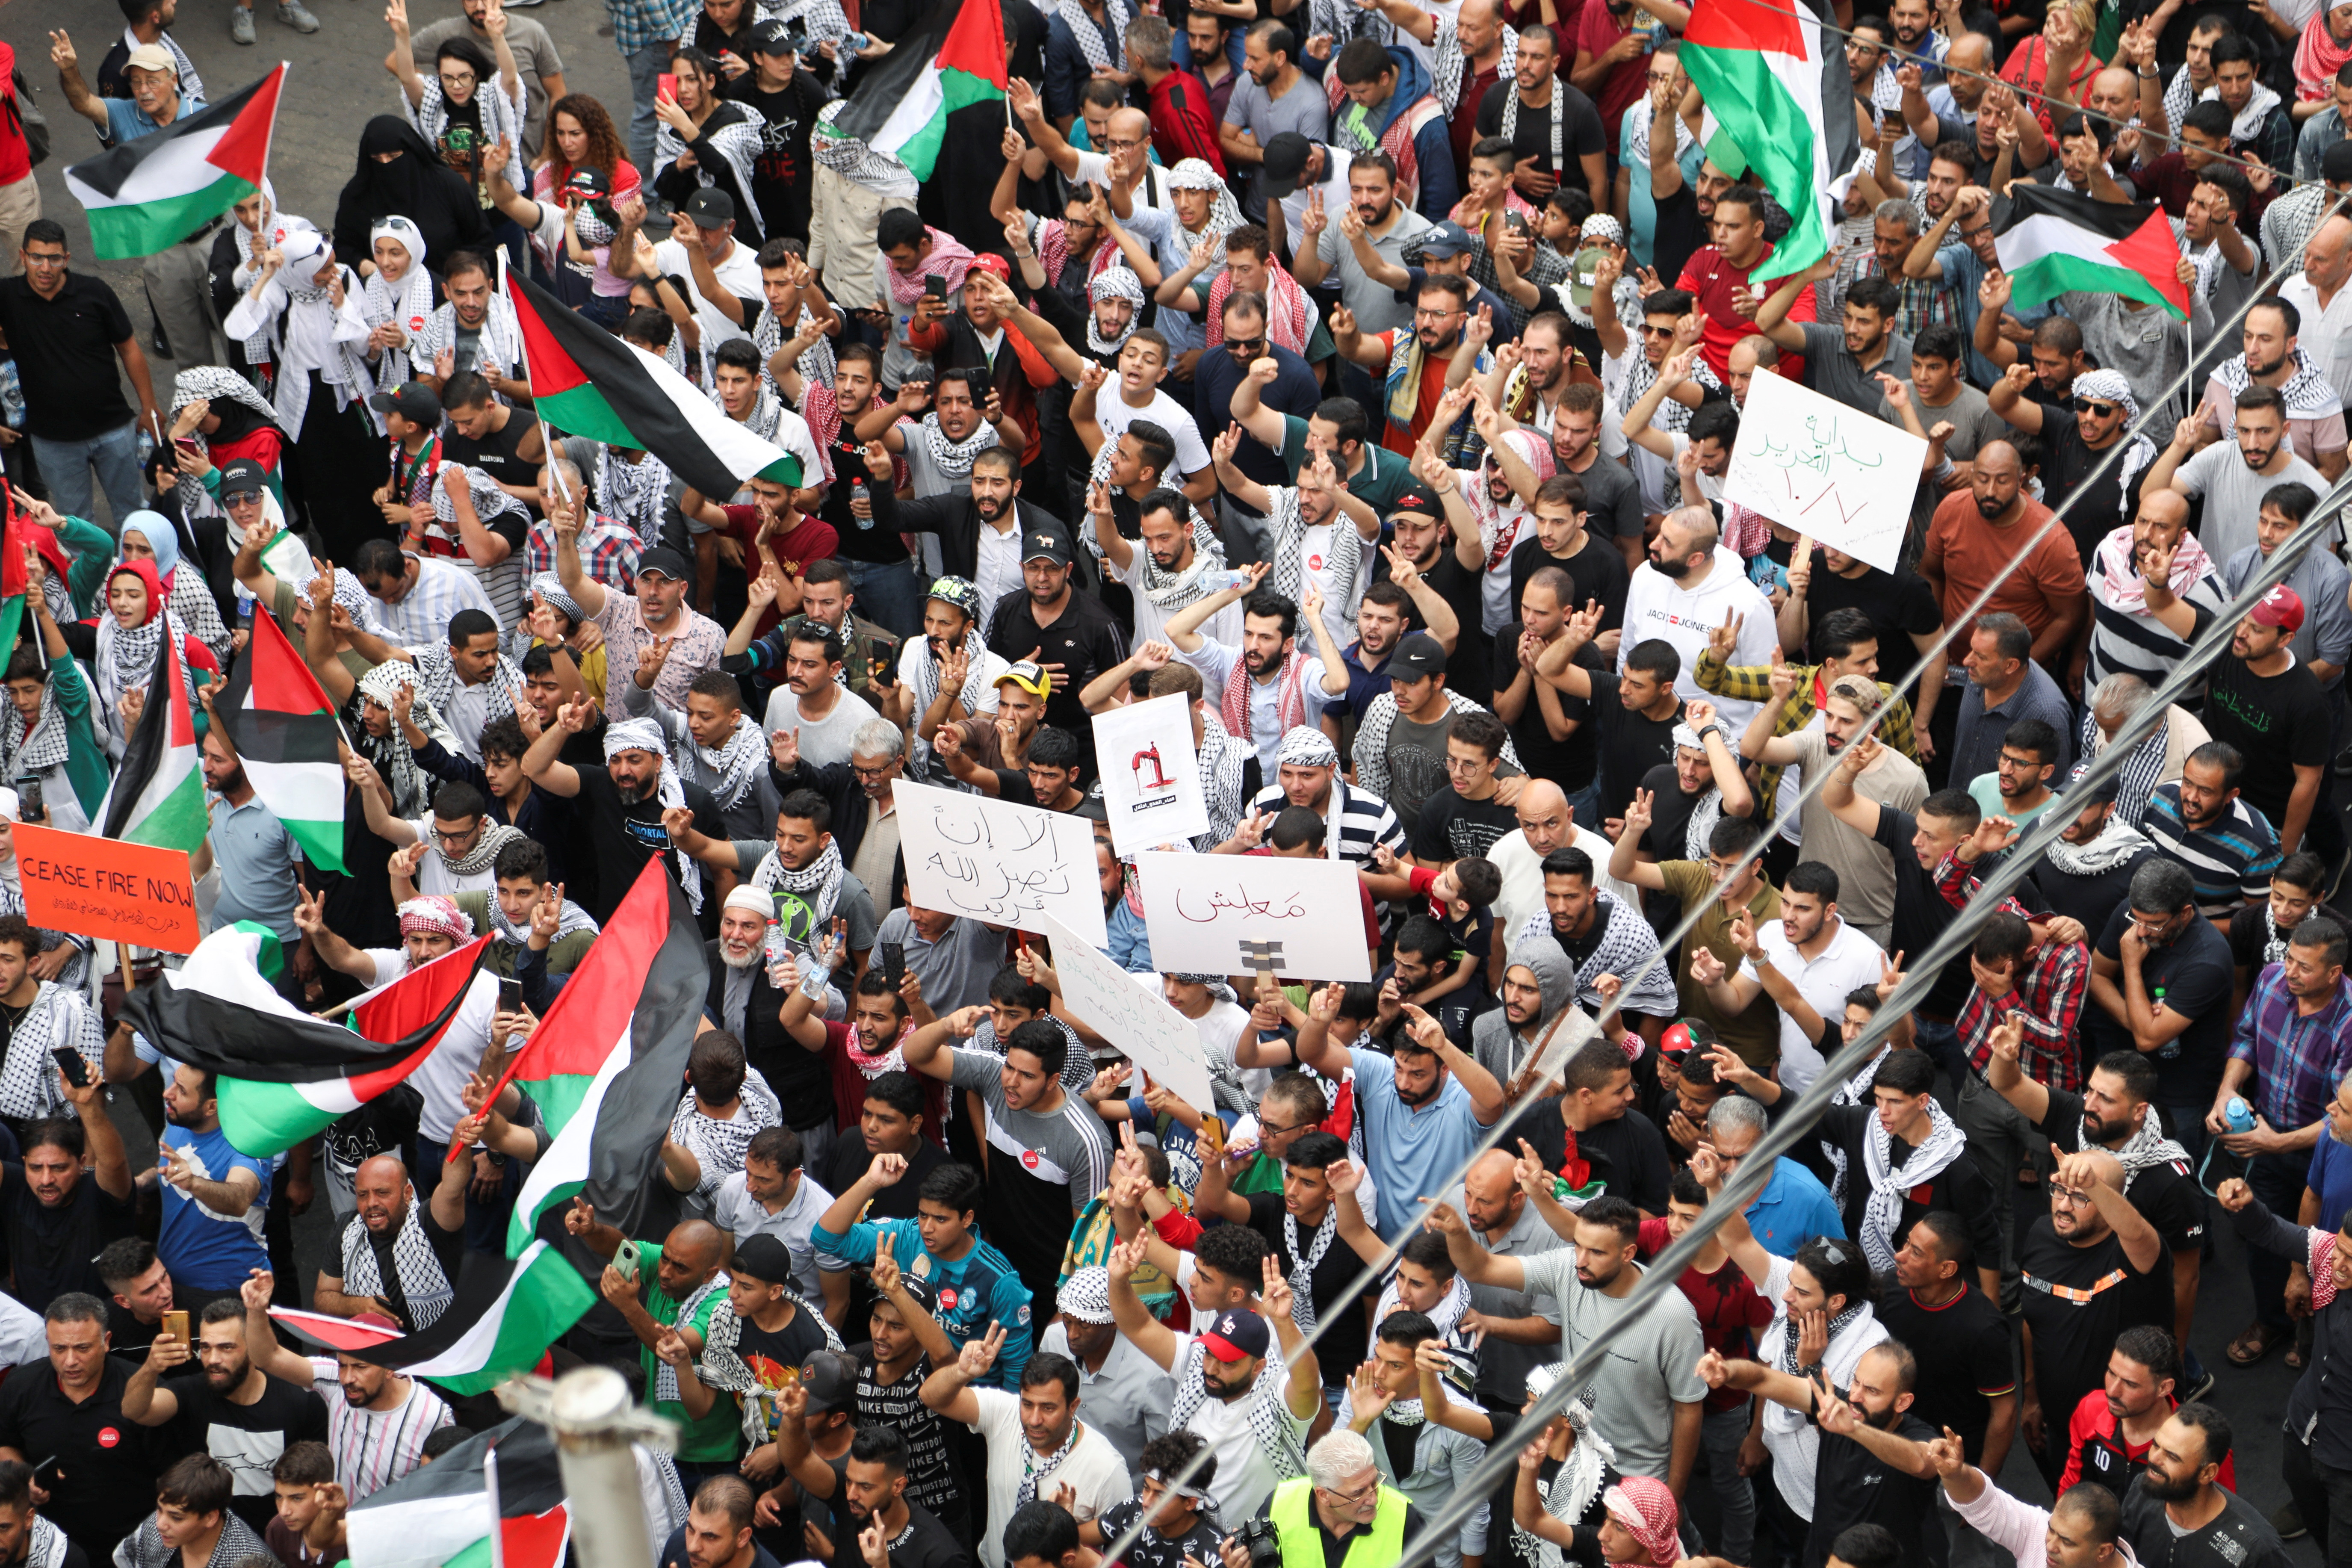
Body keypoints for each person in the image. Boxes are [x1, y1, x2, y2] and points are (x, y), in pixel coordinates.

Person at [1430, 1190, 1704, 1491]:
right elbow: (1481, 1267)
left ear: (1628, 1254)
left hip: (1638, 1476)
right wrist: (1457, 1233)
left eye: (1597, 1252)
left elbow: (1688, 1409)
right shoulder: (1567, 1269)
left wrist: (1673, 1495)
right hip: (1577, 1461)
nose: (1581, 1261)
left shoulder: (1673, 1314)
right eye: (1578, 1246)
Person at [899, 1007, 1111, 1326]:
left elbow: (1091, 1244)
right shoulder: (992, 1073)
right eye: (1010, 1066)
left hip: (1047, 1285)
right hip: (994, 1261)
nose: (1011, 1082)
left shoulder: (1086, 1141)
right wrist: (946, 1024)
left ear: (1054, 1080)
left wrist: (1064, 1310)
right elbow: (915, 1053)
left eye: (1027, 1075)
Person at [1102, 1234, 1318, 1528]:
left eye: (1228, 1362)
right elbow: (1139, 1325)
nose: (1212, 1368)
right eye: (1212, 1354)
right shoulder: (1196, 1360)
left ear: (1258, 1367)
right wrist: (1118, 1281)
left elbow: (1307, 1384)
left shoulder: (1277, 1395)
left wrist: (1283, 1322)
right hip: (1183, 1539)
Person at [919, 1326, 1134, 1568]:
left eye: (1048, 1408)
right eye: (1028, 1404)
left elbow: (1120, 1547)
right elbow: (931, 1397)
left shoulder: (1107, 1469)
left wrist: (1060, 1532)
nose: (1034, 1420)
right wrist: (961, 1372)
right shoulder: (1004, 1412)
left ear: (1073, 1406)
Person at [116, 1297, 331, 1535]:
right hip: (212, 1534)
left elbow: (319, 1483)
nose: (213, 1360)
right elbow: (135, 1411)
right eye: (206, 1348)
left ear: (252, 1347)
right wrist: (150, 1368)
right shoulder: (191, 1392)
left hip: (280, 1535)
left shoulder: (300, 1402)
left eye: (227, 1348)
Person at [0, 222, 157, 528]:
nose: (45, 267)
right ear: (23, 256)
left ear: (67, 258)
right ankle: (87, 578)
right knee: (74, 524)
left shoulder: (95, 293)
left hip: (112, 429)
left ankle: (143, 574)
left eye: (54, 259)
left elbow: (130, 350)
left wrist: (149, 406)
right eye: (36, 258)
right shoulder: (7, 297)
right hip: (52, 441)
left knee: (135, 517)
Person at [2087, 859, 2239, 1163]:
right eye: (2137, 919)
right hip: (2121, 1076)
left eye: (2155, 923)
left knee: (2170, 1177)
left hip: (2178, 1092)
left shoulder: (2208, 960)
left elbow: (2147, 1039)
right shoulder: (2132, 914)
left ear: (2184, 912)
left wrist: (2130, 963)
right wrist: (2140, 1018)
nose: (2141, 931)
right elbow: (2097, 976)